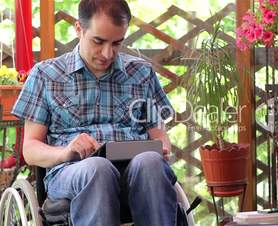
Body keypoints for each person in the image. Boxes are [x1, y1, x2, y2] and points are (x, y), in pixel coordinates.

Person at [11, 0, 178, 225]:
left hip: (136, 173)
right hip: (73, 172)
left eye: (117, 43)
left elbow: (159, 135)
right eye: (98, 41)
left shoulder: (141, 73)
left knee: (151, 161)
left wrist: (162, 147)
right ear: (79, 28)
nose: (108, 53)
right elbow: (30, 150)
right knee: (97, 168)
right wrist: (66, 152)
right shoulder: (45, 75)